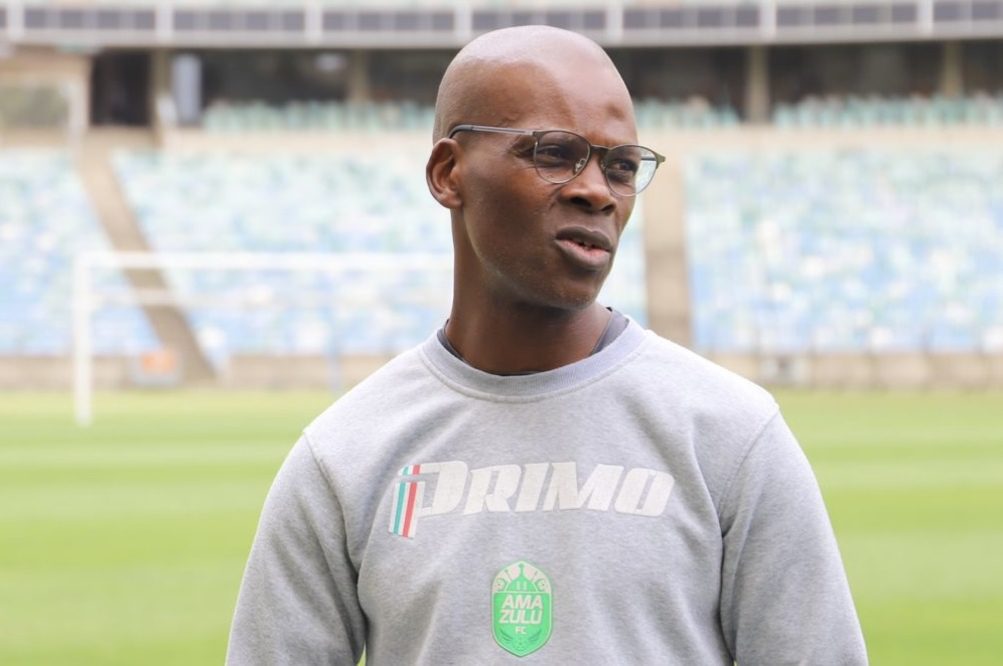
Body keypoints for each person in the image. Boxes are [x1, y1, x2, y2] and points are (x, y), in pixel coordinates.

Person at [227, 26, 867, 665]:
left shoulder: (732, 437)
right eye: (556, 154)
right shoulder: (344, 457)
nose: (599, 191)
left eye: (620, 167)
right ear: (449, 174)